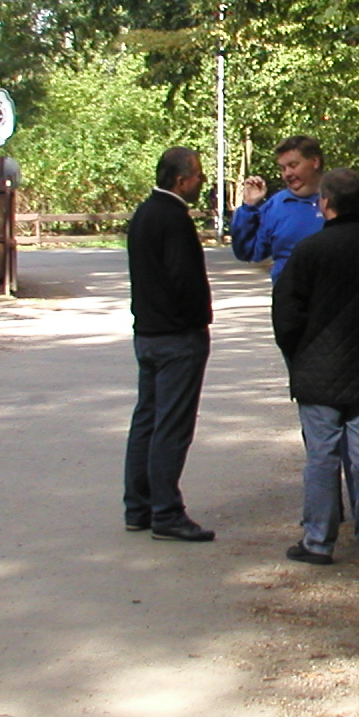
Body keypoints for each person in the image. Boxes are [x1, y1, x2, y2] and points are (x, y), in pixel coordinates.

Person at [271, 169, 359, 565]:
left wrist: (300, 352)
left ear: (325, 203)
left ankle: (318, 540)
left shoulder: (309, 250)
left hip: (317, 371)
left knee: (322, 456)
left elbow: (285, 313)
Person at [124, 146, 215, 541]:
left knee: (146, 420)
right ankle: (166, 512)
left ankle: (138, 506)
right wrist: (199, 320)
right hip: (178, 336)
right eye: (198, 176)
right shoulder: (174, 219)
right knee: (172, 427)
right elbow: (184, 280)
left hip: (147, 332)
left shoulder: (144, 213)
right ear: (181, 181)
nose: (201, 182)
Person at [231, 134, 359, 280]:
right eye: (283, 168)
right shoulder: (276, 205)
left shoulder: (353, 196)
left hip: (346, 297)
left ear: (315, 162)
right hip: (293, 299)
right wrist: (249, 206)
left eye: (293, 165)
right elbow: (247, 251)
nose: (287, 173)